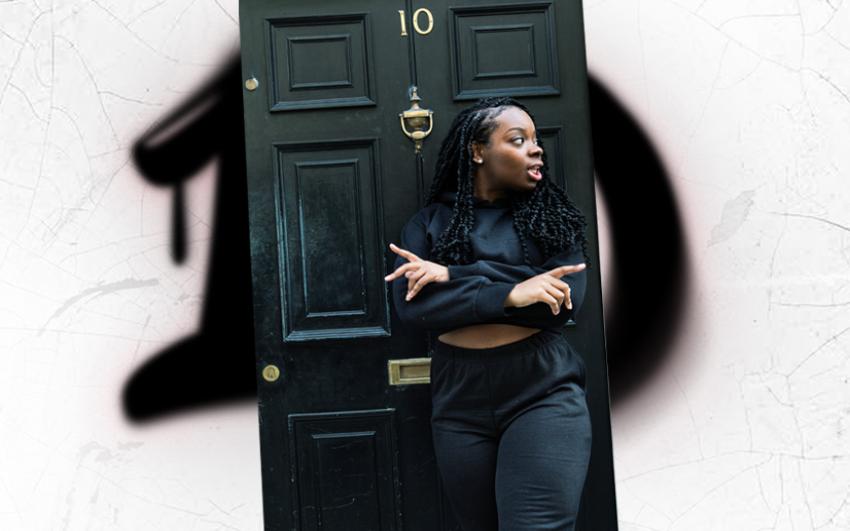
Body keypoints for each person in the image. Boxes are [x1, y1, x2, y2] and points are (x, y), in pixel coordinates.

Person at [384, 96, 593, 530]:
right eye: (519, 140)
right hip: (459, 397)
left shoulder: (552, 222)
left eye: (536, 141)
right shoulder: (427, 227)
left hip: (541, 392)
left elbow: (561, 302)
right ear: (477, 151)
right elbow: (415, 310)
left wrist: (453, 276)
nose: (536, 148)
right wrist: (513, 294)